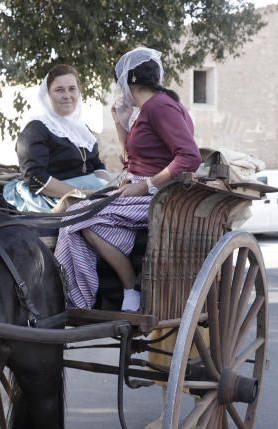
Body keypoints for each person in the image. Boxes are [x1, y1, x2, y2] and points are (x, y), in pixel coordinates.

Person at [54, 47, 202, 312]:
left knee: (77, 217)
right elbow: (131, 160)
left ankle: (119, 290)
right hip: (138, 189)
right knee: (78, 217)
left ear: (129, 82)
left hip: (160, 196)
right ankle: (91, 296)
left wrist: (145, 185)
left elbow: (190, 158)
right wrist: (121, 124)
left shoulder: (160, 107)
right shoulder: (147, 109)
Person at [4, 64, 109, 213]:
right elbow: (35, 177)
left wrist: (105, 188)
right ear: (47, 95)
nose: (67, 95)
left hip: (90, 194)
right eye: (59, 90)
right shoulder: (36, 129)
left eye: (72, 89)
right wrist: (80, 194)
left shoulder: (82, 130)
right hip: (55, 198)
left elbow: (97, 164)